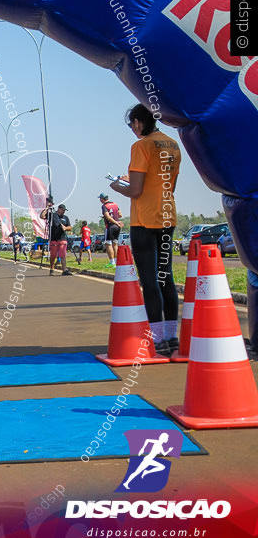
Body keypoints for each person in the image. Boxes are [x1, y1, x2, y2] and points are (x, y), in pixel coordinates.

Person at [109, 103, 181, 355]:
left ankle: (158, 340)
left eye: (132, 124)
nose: (132, 129)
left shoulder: (141, 146)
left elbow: (136, 191)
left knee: (149, 281)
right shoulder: (172, 144)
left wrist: (119, 187)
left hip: (144, 221)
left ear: (139, 122)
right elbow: (168, 186)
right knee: (166, 277)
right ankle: (172, 338)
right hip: (167, 216)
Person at [40, 200, 72, 275]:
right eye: (63, 210)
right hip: (53, 238)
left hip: (62, 238)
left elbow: (70, 227)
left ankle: (64, 270)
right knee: (53, 255)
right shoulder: (52, 215)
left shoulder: (66, 218)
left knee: (62, 254)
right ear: (59, 209)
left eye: (64, 210)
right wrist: (47, 208)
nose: (64, 211)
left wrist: (65, 228)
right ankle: (51, 268)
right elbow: (42, 216)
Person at [99, 193, 124, 266]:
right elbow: (120, 214)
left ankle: (112, 262)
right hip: (117, 226)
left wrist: (113, 221)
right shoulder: (115, 204)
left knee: (108, 244)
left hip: (110, 226)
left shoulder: (104, 206)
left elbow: (108, 217)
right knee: (115, 244)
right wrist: (117, 221)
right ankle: (116, 261)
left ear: (102, 199)